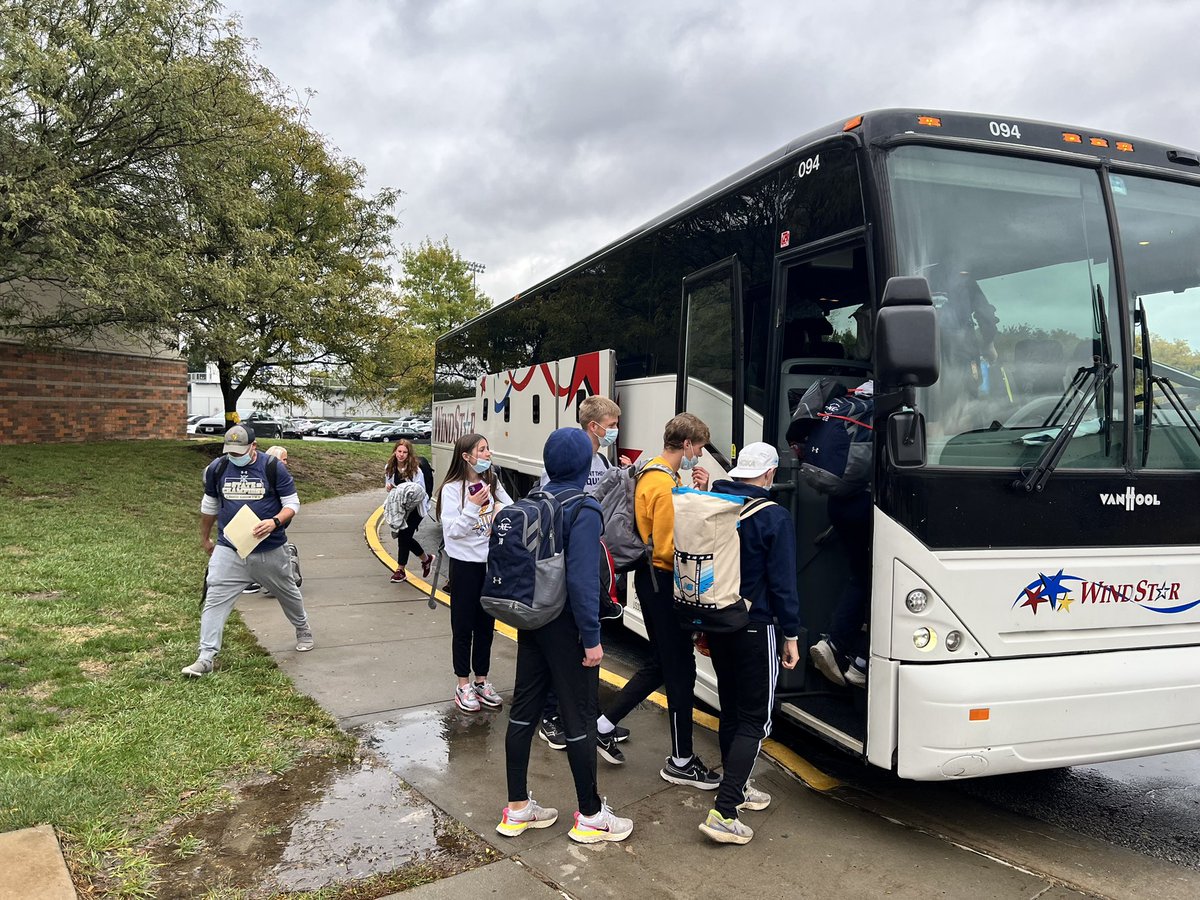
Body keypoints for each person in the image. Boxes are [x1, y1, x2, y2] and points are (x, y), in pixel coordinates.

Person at [497, 428, 634, 844]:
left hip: (531, 619)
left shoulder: (533, 500)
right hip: (567, 627)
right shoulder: (583, 508)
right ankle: (590, 815)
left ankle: (517, 809)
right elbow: (582, 580)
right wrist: (592, 638)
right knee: (579, 717)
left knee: (524, 711)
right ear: (582, 465)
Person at [594, 412, 720, 789]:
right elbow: (666, 548)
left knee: (664, 664)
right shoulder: (664, 485)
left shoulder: (652, 470)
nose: (699, 454)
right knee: (679, 668)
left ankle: (604, 725)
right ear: (686, 444)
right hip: (663, 582)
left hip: (650, 581)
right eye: (699, 447)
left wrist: (698, 493)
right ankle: (681, 760)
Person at [699, 442, 801, 845]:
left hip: (718, 621)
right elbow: (783, 585)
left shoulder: (715, 503)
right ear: (770, 474)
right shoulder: (774, 516)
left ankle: (736, 787)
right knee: (755, 720)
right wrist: (791, 634)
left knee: (731, 709)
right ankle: (725, 811)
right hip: (756, 626)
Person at [183, 424, 315, 677]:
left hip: (269, 549)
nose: (235, 456)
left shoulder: (272, 467)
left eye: (240, 451)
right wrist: (205, 538)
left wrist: (274, 522)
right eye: (231, 451)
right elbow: (209, 506)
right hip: (229, 548)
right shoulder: (218, 468)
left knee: (287, 592)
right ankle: (205, 656)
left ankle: (303, 628)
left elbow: (292, 503)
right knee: (215, 596)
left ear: (254, 446)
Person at [537, 395, 628, 750]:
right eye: (611, 425)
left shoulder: (602, 461)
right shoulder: (562, 464)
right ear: (595, 426)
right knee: (564, 646)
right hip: (564, 565)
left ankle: (586, 718)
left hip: (591, 555)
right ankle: (551, 716)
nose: (614, 430)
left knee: (580, 651)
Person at [439, 432, 512, 712]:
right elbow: (453, 532)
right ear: (466, 456)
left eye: (487, 449)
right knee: (463, 627)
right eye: (481, 450)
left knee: (485, 626)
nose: (487, 454)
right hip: (464, 566)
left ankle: (482, 680)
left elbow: (510, 507)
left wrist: (498, 511)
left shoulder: (491, 480)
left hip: (488, 565)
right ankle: (463, 684)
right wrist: (472, 506)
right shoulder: (451, 489)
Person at [385, 439, 434, 583]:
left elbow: (421, 491)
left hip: (416, 508)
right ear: (395, 451)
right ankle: (426, 559)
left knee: (404, 536)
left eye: (405, 452)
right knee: (404, 536)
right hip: (401, 508)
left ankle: (400, 570)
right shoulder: (390, 467)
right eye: (399, 451)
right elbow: (389, 487)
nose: (401, 455)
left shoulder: (416, 470)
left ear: (409, 454)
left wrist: (406, 490)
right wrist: (390, 488)